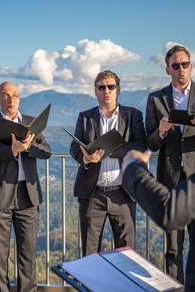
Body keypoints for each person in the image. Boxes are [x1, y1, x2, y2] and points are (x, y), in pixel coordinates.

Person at [122, 71, 195, 291]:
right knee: (173, 248)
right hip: (172, 173)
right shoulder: (156, 98)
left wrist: (133, 167)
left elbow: (170, 211)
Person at [145, 45, 195, 283]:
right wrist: (161, 132)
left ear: (191, 66)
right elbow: (150, 143)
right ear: (168, 70)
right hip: (171, 179)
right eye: (176, 65)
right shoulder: (155, 98)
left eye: (185, 64)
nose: (181, 69)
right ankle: (175, 288)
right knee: (173, 247)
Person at [0, 81, 51, 292]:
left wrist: (27, 149)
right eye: (6, 95)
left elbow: (46, 151)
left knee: (28, 255)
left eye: (16, 95)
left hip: (27, 195)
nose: (11, 100)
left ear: (20, 98)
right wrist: (13, 150)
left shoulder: (32, 123)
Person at [70, 70, 146, 257]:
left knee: (127, 255)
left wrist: (111, 150)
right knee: (89, 255)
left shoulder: (132, 115)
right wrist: (85, 159)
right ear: (95, 91)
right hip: (92, 194)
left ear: (118, 90)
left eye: (111, 87)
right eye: (101, 87)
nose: (107, 91)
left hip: (123, 194)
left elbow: (140, 145)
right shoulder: (85, 117)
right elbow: (74, 147)